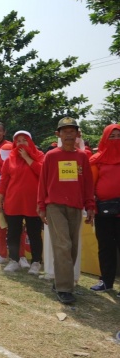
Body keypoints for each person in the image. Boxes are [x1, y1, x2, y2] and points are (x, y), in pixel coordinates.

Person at [37, 118, 94, 304]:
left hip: (76, 206)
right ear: (58, 134)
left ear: (78, 134)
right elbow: (43, 182)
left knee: (72, 247)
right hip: (55, 206)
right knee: (63, 245)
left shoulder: (83, 157)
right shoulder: (51, 156)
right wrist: (41, 206)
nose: (68, 134)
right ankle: (64, 288)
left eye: (72, 131)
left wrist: (90, 206)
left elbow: (87, 184)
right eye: (64, 131)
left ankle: (60, 281)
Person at [0, 130, 44, 273]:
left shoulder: (40, 156)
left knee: (34, 233)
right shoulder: (10, 159)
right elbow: (4, 181)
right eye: (18, 140)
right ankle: (14, 260)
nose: (21, 143)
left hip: (33, 202)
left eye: (24, 140)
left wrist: (28, 158)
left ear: (30, 141)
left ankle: (36, 262)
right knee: (13, 234)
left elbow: (43, 173)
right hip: (13, 201)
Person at [88, 123, 120, 296]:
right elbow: (90, 187)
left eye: (118, 136)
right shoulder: (96, 159)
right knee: (106, 246)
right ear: (104, 138)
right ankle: (106, 281)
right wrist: (91, 207)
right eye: (111, 136)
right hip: (104, 211)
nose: (115, 139)